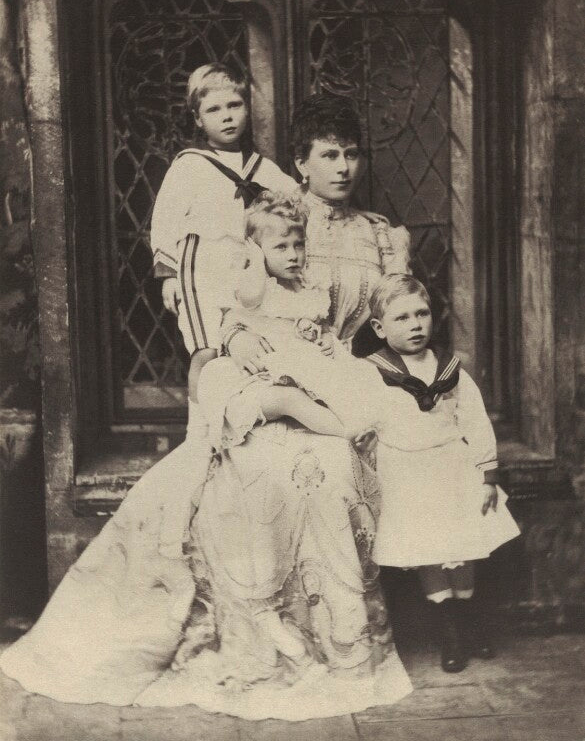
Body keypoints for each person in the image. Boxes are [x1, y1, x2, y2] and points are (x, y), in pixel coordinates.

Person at [0, 94, 413, 720]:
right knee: (248, 480)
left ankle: (339, 646)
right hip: (262, 363)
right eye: (330, 155)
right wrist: (237, 338)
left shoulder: (383, 235)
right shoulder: (270, 216)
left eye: (353, 154)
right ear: (300, 164)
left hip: (343, 375)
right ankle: (259, 640)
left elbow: (399, 321)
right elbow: (226, 302)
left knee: (332, 473)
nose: (344, 168)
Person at [364, 274, 521, 673]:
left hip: (452, 470)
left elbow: (476, 421)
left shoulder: (450, 370)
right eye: (401, 318)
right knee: (431, 554)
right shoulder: (372, 375)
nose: (415, 324)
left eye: (422, 313)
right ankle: (448, 633)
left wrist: (487, 475)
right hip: (407, 476)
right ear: (380, 328)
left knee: (463, 548)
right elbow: (360, 423)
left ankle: (471, 625)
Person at [149, 62, 296, 443]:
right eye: (214, 110)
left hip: (244, 274)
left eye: (234, 105)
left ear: (248, 109)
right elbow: (165, 220)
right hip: (201, 275)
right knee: (206, 347)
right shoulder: (189, 166)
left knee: (241, 346)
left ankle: (235, 428)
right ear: (198, 119)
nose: (227, 116)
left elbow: (297, 202)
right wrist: (168, 276)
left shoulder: (263, 168)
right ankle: (199, 431)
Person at [198, 191, 384, 450]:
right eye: (280, 247)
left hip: (304, 365)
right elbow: (249, 299)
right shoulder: (259, 285)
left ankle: (366, 423)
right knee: (290, 400)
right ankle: (346, 432)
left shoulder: (309, 285)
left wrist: (327, 338)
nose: (293, 255)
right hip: (263, 374)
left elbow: (322, 324)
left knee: (356, 377)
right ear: (257, 250)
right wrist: (256, 262)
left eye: (299, 245)